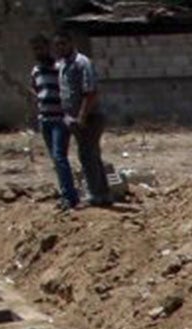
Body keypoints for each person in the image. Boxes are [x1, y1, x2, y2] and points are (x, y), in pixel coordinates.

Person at [56, 31, 111, 208]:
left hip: (89, 117)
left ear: (71, 42)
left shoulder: (82, 62)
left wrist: (82, 116)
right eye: (58, 44)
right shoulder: (63, 65)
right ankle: (103, 193)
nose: (60, 47)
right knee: (91, 155)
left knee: (87, 155)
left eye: (64, 43)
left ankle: (96, 194)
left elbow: (90, 92)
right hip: (74, 118)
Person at [30, 36, 78, 211]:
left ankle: (69, 197)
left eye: (41, 48)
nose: (38, 52)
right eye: (35, 49)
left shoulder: (60, 68)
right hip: (45, 120)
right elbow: (35, 90)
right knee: (55, 158)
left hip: (59, 120)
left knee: (59, 157)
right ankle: (65, 191)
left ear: (48, 48)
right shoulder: (36, 71)